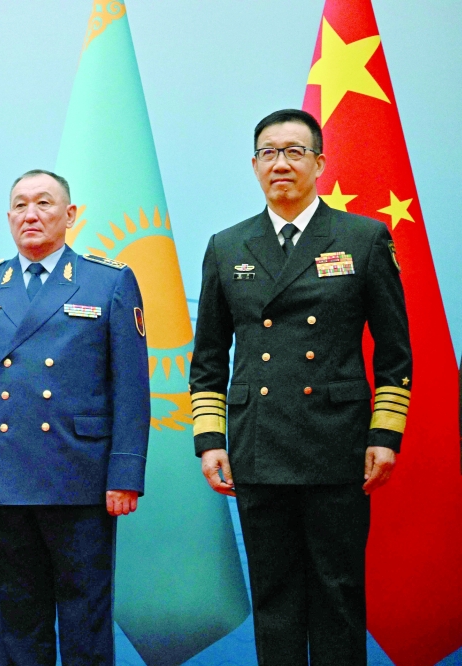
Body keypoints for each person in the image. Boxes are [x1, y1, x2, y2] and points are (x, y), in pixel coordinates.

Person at [190, 109, 411, 664]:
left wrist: (384, 434)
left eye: (293, 151)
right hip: (258, 444)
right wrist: (211, 439)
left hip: (336, 443)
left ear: (319, 162)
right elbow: (209, 358)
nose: (280, 163)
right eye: (268, 152)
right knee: (275, 595)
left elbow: (394, 351)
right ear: (254, 165)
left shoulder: (362, 238)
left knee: (337, 593)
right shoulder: (227, 246)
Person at [0, 170, 150, 666]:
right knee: (18, 625)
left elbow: (131, 388)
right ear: (9, 216)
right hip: (5, 481)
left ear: (70, 215)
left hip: (80, 478)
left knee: (86, 623)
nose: (30, 215)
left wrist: (125, 475)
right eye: (19, 205)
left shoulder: (109, 282)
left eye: (43, 204)